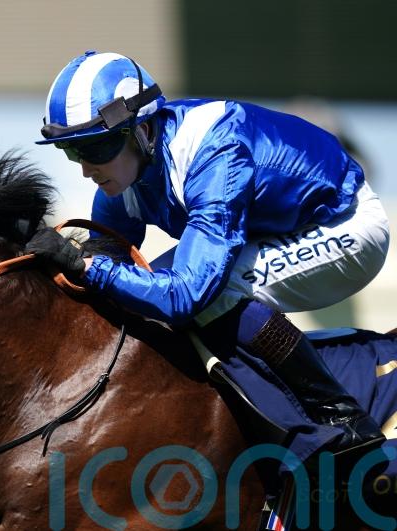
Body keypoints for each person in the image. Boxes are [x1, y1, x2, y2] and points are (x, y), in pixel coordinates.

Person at [26, 50, 390, 459]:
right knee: (140, 290)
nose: (85, 169)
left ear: (143, 129)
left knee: (215, 291)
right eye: (74, 152)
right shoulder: (122, 175)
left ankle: (341, 418)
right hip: (275, 230)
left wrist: (87, 266)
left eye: (96, 148)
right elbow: (109, 270)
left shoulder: (216, 155)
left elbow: (186, 296)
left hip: (347, 225)